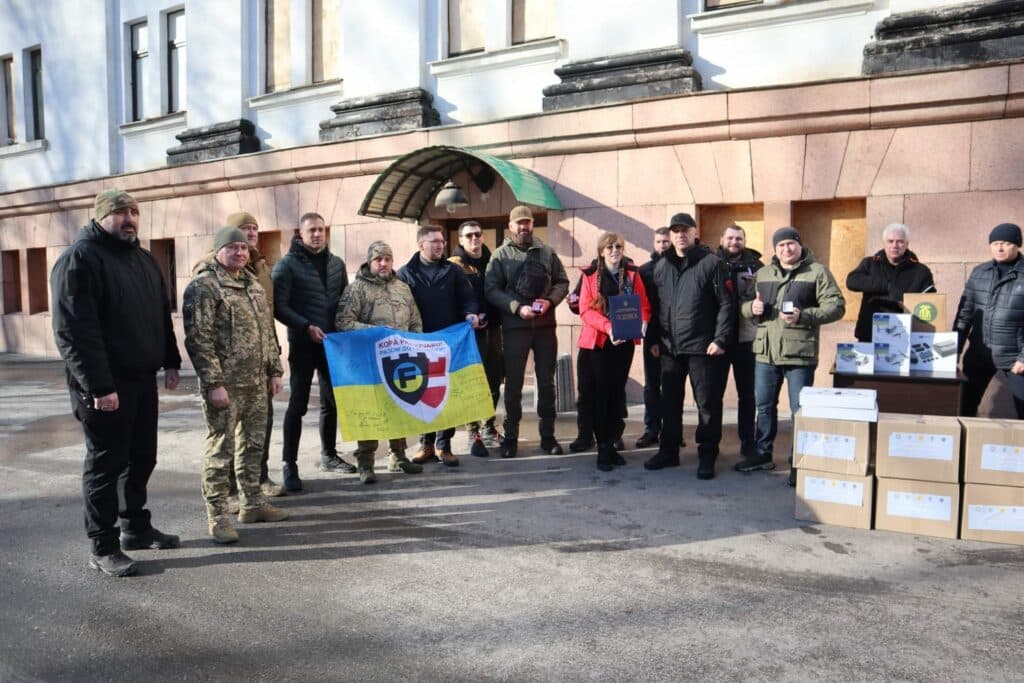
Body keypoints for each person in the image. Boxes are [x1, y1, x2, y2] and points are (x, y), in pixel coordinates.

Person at [50, 189, 182, 577]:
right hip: (104, 385)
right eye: (120, 212)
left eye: (134, 212)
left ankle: (135, 528)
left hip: (142, 379)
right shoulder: (79, 259)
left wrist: (171, 361)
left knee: (142, 457)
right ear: (101, 217)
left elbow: (160, 315)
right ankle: (103, 546)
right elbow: (74, 331)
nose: (129, 219)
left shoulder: (142, 259)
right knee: (106, 464)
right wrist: (98, 386)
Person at [183, 227, 287, 544]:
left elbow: (267, 333)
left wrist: (274, 369)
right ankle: (218, 518)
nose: (240, 253)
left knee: (253, 446)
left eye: (244, 248)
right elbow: (198, 340)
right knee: (221, 450)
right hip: (225, 385)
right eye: (233, 248)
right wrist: (213, 383)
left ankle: (252, 504)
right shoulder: (204, 286)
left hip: (256, 382)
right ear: (218, 251)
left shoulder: (253, 285)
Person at [737, 226, 846, 486]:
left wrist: (804, 315)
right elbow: (743, 305)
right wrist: (751, 308)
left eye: (790, 244)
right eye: (781, 245)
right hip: (766, 353)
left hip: (799, 355)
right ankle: (763, 453)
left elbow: (837, 306)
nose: (786, 249)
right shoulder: (763, 272)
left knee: (800, 411)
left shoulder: (817, 271)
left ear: (799, 245)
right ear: (774, 249)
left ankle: (799, 461)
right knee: (763, 407)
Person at [643, 213, 734, 480]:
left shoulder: (712, 264)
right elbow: (656, 307)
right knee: (669, 402)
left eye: (686, 230)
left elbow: (726, 305)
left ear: (695, 233)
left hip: (702, 347)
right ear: (670, 236)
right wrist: (655, 341)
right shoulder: (661, 267)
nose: (680, 235)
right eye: (676, 231)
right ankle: (668, 451)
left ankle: (707, 453)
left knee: (706, 403)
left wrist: (720, 339)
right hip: (670, 348)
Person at [272, 212, 351, 492]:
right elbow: (279, 307)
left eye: (321, 229)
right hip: (304, 344)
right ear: (300, 234)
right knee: (299, 404)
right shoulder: (287, 265)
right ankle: (288, 464)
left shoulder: (336, 264)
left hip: (332, 345)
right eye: (311, 230)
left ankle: (329, 455)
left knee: (332, 402)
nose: (317, 234)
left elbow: (345, 302)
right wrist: (306, 327)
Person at [335, 241, 426, 482]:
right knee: (371, 412)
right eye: (378, 260)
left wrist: (413, 342)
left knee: (399, 407)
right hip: (369, 363)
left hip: (399, 362)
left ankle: (398, 457)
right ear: (369, 262)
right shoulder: (357, 289)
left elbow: (415, 320)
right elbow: (343, 322)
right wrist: (375, 331)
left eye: (387, 259)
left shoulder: (403, 288)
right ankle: (366, 463)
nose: (383, 263)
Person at [484, 205, 570, 458]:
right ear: (511, 226)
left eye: (527, 222)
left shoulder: (546, 251)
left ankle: (548, 436)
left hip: (544, 327)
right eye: (519, 223)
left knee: (546, 383)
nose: (524, 227)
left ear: (533, 224)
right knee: (513, 385)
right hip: (514, 327)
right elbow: (491, 289)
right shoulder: (500, 256)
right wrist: (515, 307)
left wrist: (550, 301)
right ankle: (510, 438)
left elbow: (562, 281)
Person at [398, 225, 480, 467]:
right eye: (433, 241)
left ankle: (445, 446)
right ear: (421, 245)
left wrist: (470, 313)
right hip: (418, 344)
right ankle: (426, 445)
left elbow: (469, 298)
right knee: (423, 395)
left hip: (448, 344)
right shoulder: (405, 273)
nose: (439, 245)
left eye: (442, 241)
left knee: (446, 395)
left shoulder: (453, 271)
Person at [577, 233, 651, 470]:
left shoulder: (632, 274)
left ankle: (611, 440)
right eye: (609, 247)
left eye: (618, 246)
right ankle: (603, 448)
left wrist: (644, 322)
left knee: (616, 394)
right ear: (601, 251)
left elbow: (644, 304)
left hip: (624, 344)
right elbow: (586, 311)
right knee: (600, 396)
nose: (614, 250)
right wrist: (609, 328)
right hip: (599, 344)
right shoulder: (589, 275)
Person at [955, 223, 1024, 419]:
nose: (999, 248)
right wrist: (953, 352)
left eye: (1005, 243)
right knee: (964, 406)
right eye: (995, 243)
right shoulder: (980, 272)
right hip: (979, 353)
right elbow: (964, 314)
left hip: (1014, 357)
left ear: (1017, 245)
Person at [449, 220, 505, 455]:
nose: (474, 239)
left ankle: (488, 426)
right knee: (472, 382)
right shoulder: (454, 266)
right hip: (469, 335)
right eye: (469, 235)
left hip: (493, 331)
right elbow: (452, 299)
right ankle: (473, 430)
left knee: (494, 380)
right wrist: (468, 316)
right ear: (460, 240)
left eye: (478, 234)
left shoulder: (493, 262)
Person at [715, 225, 764, 462]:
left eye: (739, 238)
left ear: (744, 241)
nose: (734, 242)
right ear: (721, 239)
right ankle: (711, 444)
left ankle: (748, 441)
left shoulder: (756, 266)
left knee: (748, 395)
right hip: (719, 341)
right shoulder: (710, 263)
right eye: (730, 238)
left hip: (747, 340)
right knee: (714, 395)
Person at [846, 223, 935, 342]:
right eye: (890, 241)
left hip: (905, 336)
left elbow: (931, 302)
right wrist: (886, 285)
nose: (895, 245)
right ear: (884, 243)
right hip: (869, 333)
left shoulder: (921, 271)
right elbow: (852, 281)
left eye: (900, 242)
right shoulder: (869, 264)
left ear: (907, 244)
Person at [636, 226, 673, 449]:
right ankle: (652, 428)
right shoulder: (644, 271)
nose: (662, 246)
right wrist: (652, 340)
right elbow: (644, 307)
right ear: (653, 243)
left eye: (665, 242)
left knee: (672, 386)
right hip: (653, 338)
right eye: (659, 242)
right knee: (652, 385)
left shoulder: (680, 267)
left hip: (677, 338)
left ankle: (671, 430)